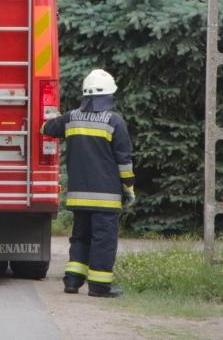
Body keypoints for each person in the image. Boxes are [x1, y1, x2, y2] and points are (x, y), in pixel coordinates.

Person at [41, 69, 135, 298]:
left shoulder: (71, 118)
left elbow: (45, 128)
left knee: (80, 238)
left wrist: (56, 117)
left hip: (78, 197)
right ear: (109, 95)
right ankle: (99, 287)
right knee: (103, 241)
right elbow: (124, 161)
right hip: (106, 199)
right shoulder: (115, 121)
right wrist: (128, 187)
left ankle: (72, 282)